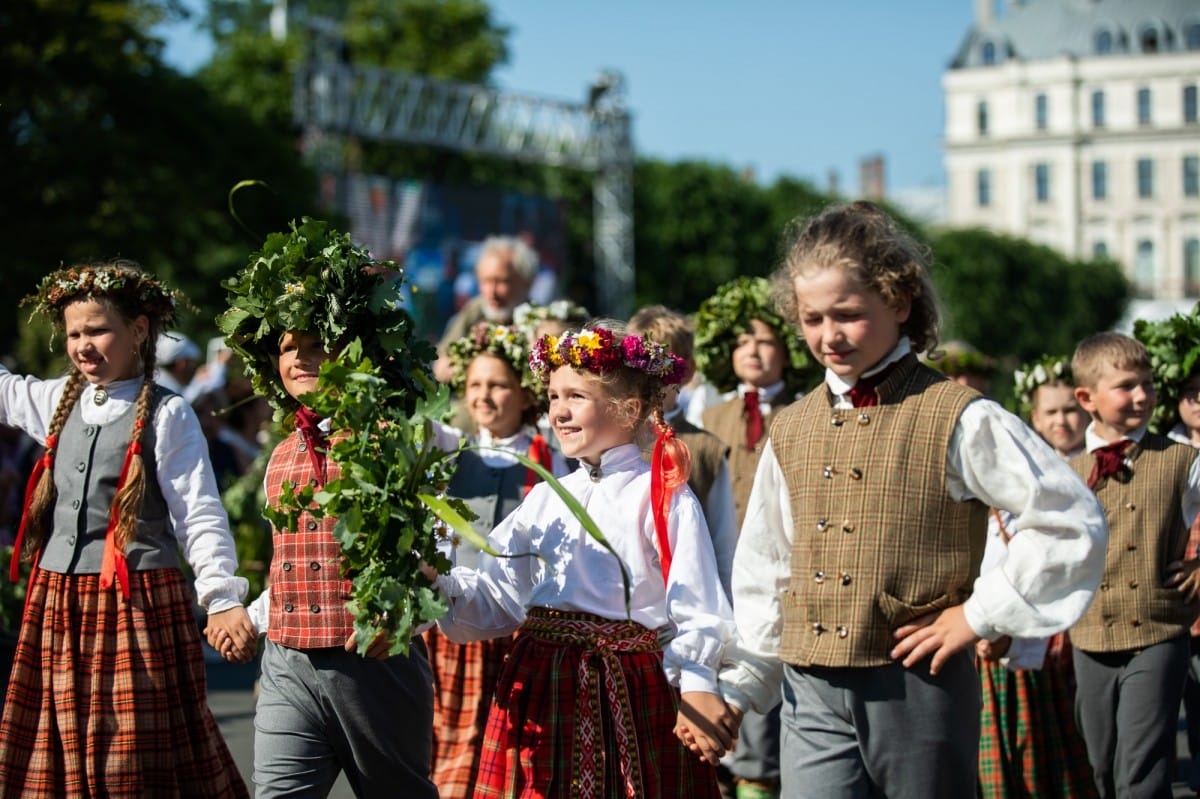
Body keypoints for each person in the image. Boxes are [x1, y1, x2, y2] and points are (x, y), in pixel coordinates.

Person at [710, 201, 1107, 799]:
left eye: (847, 314)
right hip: (809, 685)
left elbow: (1068, 520)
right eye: (812, 318)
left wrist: (976, 615)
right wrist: (744, 683)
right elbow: (767, 561)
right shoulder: (792, 427)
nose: (828, 335)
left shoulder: (960, 415)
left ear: (898, 302)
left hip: (917, 681)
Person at [426, 323, 736, 798]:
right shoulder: (548, 498)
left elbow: (697, 605)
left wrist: (696, 678)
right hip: (541, 685)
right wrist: (436, 583)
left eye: (576, 397)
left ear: (629, 409)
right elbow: (496, 596)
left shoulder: (659, 495)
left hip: (627, 689)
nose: (559, 413)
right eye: (552, 397)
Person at [0, 260, 252, 797]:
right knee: (58, 752)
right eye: (73, 333)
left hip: (136, 603)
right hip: (58, 599)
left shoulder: (169, 414)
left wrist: (222, 596)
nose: (83, 345)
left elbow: (198, 511)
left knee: (131, 760)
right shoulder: (54, 400)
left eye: (97, 330)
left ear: (139, 330)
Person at [212, 221, 440, 798]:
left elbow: (438, 542)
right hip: (288, 665)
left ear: (354, 348)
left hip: (373, 661)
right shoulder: (282, 449)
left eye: (318, 345)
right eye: (289, 348)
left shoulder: (399, 433)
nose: (300, 360)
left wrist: (409, 606)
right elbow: (291, 562)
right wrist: (253, 618)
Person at [423, 321, 568, 799]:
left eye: (499, 385)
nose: (484, 396)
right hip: (459, 628)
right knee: (454, 753)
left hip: (524, 631)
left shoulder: (550, 456)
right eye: (475, 385)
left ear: (527, 394)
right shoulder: (450, 451)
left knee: (517, 754)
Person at [693, 275, 818, 799]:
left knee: (767, 661)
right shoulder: (710, 417)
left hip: (781, 570)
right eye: (742, 341)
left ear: (787, 351)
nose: (753, 351)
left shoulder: (804, 412)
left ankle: (762, 774)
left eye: (765, 341)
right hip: (721, 564)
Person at [1067, 331, 1200, 799]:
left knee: (1141, 774)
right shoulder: (1064, 472)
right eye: (1126, 386)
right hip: (1090, 637)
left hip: (1158, 631)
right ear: (1087, 398)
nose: (1142, 395)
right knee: (1103, 765)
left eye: (1148, 383)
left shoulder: (1182, 460)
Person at [976, 355, 1096, 799]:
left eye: (1070, 410)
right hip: (1024, 624)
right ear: (1034, 417)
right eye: (1052, 412)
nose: (1062, 421)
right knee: (1020, 741)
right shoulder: (1022, 472)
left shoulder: (1095, 466)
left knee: (1074, 741)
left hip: (1082, 620)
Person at [628, 304, 737, 599]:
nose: (646, 375)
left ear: (687, 371)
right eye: (636, 363)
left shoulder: (707, 449)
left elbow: (723, 541)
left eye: (659, 364)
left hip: (687, 599)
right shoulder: (614, 439)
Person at [434, 236, 538, 382]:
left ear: (526, 282)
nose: (492, 292)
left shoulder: (539, 322)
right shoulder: (475, 310)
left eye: (502, 281)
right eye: (486, 281)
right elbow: (442, 361)